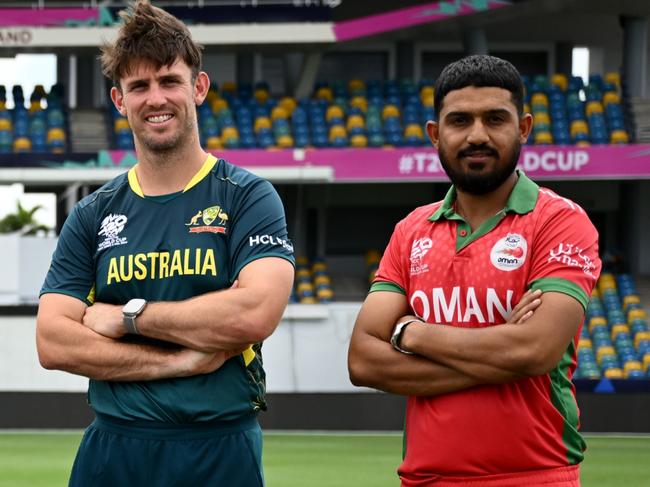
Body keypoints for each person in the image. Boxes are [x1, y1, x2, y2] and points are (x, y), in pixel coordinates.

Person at [36, 1, 294, 485]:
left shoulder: (246, 196)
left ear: (198, 88)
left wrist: (126, 318)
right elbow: (53, 341)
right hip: (112, 447)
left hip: (219, 446)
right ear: (119, 100)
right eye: (139, 86)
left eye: (169, 81)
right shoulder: (94, 213)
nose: (156, 98)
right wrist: (175, 361)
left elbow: (254, 313)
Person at [348, 55, 601, 486]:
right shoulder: (411, 231)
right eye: (460, 120)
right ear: (435, 134)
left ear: (523, 128)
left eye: (495, 119)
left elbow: (534, 351)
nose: (477, 135)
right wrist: (502, 351)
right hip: (424, 478)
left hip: (535, 476)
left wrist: (412, 334)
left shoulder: (559, 220)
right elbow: (363, 362)